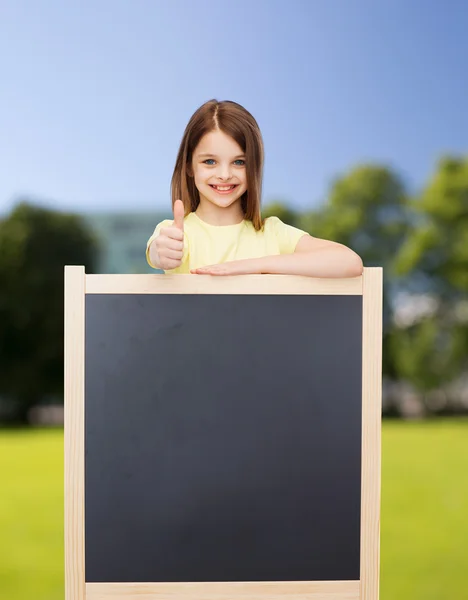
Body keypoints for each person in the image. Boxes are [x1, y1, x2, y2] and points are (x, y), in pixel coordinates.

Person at [146, 99, 363, 278]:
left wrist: (251, 266)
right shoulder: (175, 233)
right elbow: (159, 252)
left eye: (239, 162)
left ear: (254, 168)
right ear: (189, 167)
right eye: (210, 162)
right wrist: (161, 253)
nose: (224, 174)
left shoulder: (273, 233)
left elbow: (349, 262)